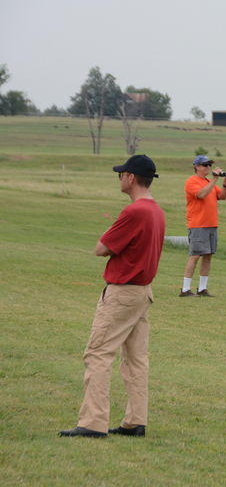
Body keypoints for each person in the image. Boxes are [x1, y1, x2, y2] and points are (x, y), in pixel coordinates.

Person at [60, 155, 165, 438]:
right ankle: (135, 421)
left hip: (123, 292)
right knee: (136, 359)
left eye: (121, 174)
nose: (119, 178)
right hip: (144, 292)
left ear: (131, 177)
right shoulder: (156, 210)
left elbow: (101, 248)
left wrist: (110, 231)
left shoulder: (135, 212)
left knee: (98, 353)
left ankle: (92, 423)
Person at [180, 154, 226, 297]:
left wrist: (225, 184)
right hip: (198, 224)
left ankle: (202, 288)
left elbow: (222, 197)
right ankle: (185, 289)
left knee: (208, 256)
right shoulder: (192, 181)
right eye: (205, 165)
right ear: (196, 166)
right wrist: (215, 179)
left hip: (211, 223)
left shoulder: (209, 182)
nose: (208, 167)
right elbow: (201, 195)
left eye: (209, 165)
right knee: (195, 256)